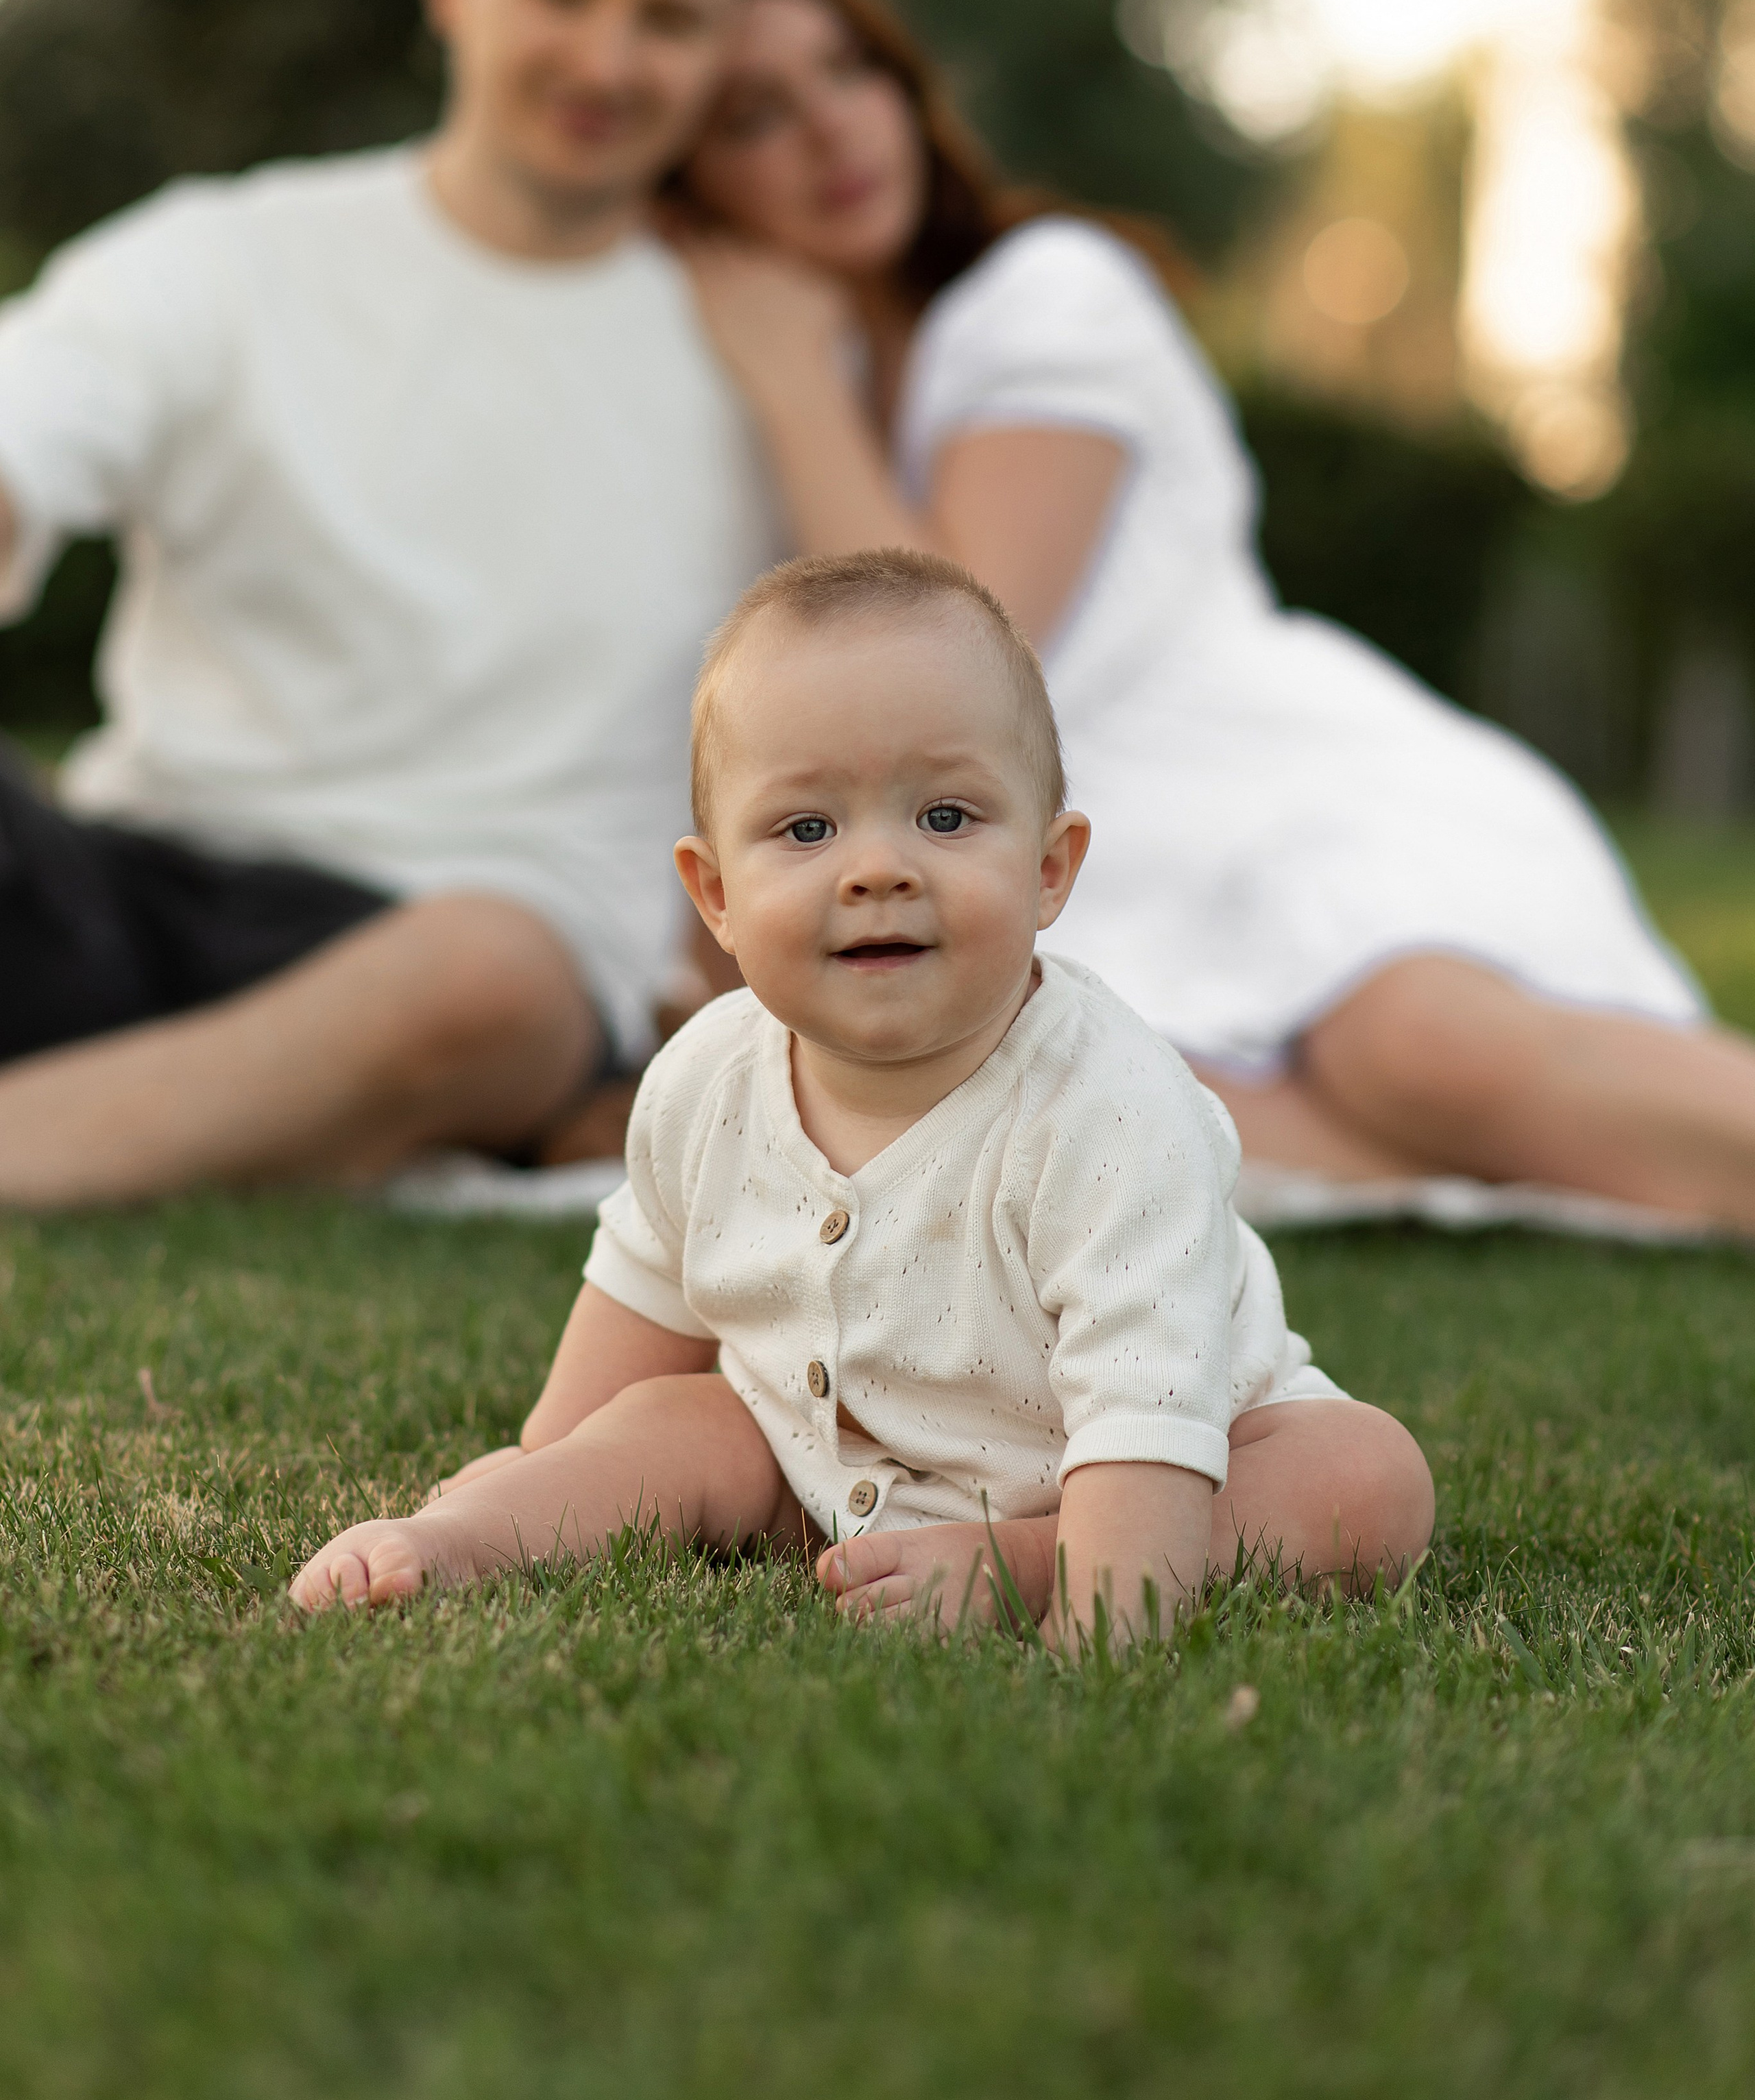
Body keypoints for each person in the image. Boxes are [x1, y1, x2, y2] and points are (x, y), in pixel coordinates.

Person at [661, 0, 1755, 1234]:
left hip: (1262, 785)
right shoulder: (768, 404)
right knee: (1049, 1101)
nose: (831, 131)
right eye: (755, 117)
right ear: (692, 188)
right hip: (1057, 856)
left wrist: (790, 383)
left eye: (849, 70)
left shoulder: (1047, 292)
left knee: (1420, 1042)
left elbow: (948, 664)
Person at [290, 550, 1432, 1631]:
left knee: (1365, 1477)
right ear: (716, 895)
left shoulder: (1116, 1114)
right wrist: (546, 1468)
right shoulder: (706, 1077)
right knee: (671, 1421)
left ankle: (1025, 1562)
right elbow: (646, 1292)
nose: (878, 869)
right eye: (807, 828)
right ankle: (457, 1544)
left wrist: (1101, 1637)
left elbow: (1146, 1415)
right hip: (820, 1471)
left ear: (1049, 869)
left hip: (1154, 1467)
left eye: (945, 817)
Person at [0, 0, 779, 1209]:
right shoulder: (234, 256)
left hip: (470, 960)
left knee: (494, 974)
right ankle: (184, 1123)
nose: (607, 60)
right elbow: (31, 418)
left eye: (667, 17)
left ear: (723, 40)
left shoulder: (775, 353)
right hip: (131, 890)